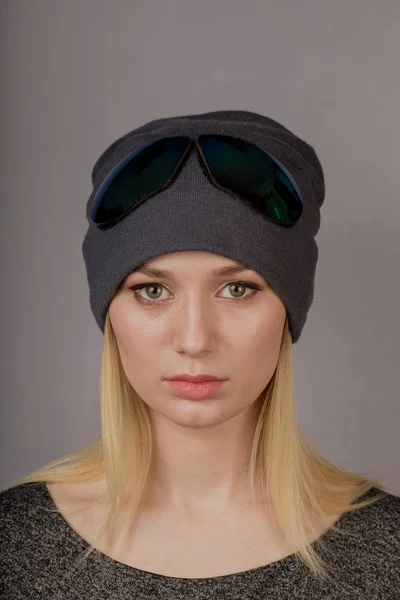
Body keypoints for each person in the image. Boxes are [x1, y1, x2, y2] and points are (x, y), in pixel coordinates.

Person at [1, 110, 399, 598]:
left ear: (289, 311)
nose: (194, 339)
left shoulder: (387, 551)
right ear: (110, 315)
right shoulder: (14, 543)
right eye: (151, 291)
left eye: (237, 289)